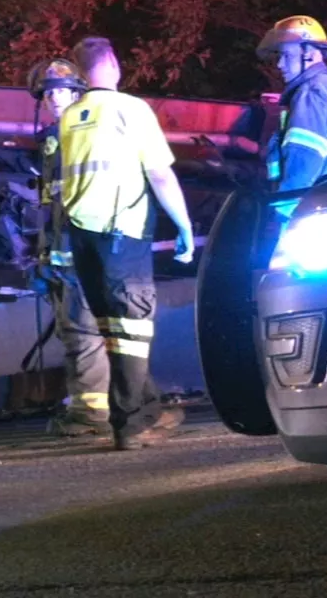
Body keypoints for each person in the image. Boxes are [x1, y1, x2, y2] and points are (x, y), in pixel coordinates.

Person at [27, 59, 183, 440]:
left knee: (92, 333)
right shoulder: (58, 136)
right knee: (107, 332)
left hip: (91, 243)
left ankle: (94, 412)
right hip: (79, 247)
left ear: (80, 92)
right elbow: (53, 202)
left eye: (61, 90)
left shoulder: (75, 134)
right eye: (48, 93)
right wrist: (46, 252)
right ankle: (141, 408)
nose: (54, 98)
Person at [57, 37, 197, 451]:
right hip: (124, 231)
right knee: (133, 329)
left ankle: (148, 410)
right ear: (114, 65)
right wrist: (185, 226)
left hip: (85, 237)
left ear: (81, 74)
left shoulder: (69, 117)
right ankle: (130, 425)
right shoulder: (130, 109)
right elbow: (159, 174)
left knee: (115, 333)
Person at [255, 15, 327, 198]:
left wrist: (284, 210)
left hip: (314, 206)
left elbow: (302, 160)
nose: (279, 64)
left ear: (311, 53)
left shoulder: (310, 93)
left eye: (287, 55)